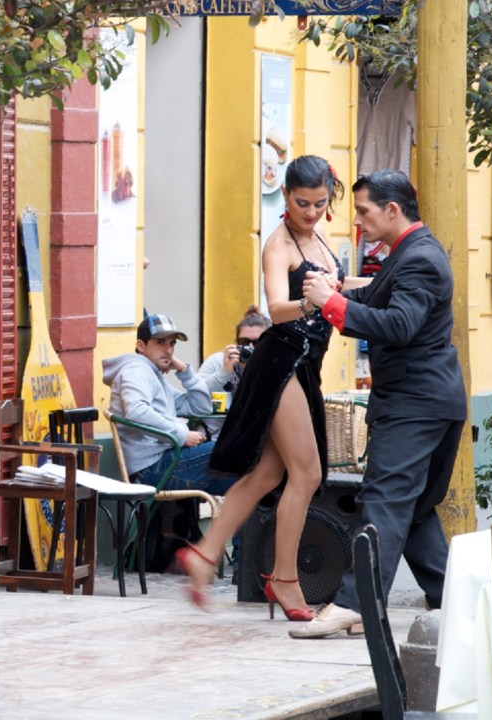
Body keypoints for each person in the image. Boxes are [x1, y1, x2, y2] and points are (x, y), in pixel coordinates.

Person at [176, 155, 370, 620]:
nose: (311, 212)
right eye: (302, 203)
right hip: (281, 360)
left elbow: (338, 288)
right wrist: (313, 299)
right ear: (285, 196)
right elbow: (276, 306)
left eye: (320, 203)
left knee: (267, 475)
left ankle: (203, 556)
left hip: (307, 364)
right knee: (307, 475)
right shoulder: (278, 244)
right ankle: (284, 579)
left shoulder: (321, 236)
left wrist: (372, 286)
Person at [290, 170, 466, 639]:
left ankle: (355, 603)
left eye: (364, 211)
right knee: (415, 510)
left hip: (415, 404)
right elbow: (381, 295)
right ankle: (458, 603)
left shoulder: (420, 258)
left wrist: (332, 303)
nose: (358, 222)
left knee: (385, 502)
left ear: (393, 210)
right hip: (428, 401)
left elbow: (400, 323)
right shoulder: (409, 253)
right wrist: (342, 290)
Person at [103, 314, 231, 497]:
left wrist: (184, 371)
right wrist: (181, 435)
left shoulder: (152, 374)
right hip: (151, 469)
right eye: (160, 342)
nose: (168, 349)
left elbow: (201, 408)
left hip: (164, 461)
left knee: (242, 481)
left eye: (172, 343)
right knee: (230, 449)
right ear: (141, 345)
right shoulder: (135, 371)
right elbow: (136, 411)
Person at [196, 305, 271, 435]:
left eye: (257, 342)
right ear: (236, 342)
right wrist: (224, 373)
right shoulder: (218, 361)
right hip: (215, 436)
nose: (250, 347)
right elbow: (195, 396)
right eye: (244, 342)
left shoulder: (272, 365)